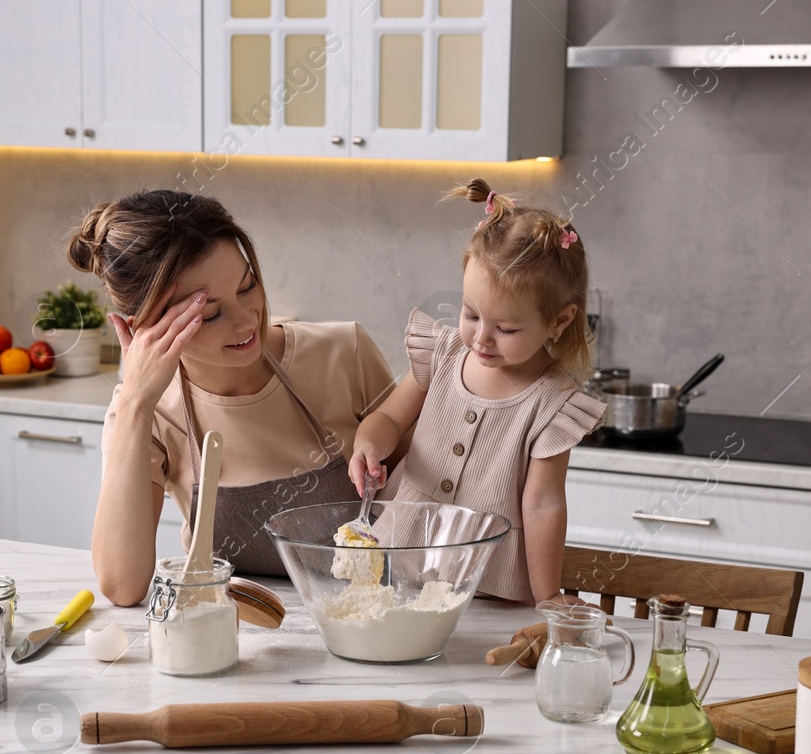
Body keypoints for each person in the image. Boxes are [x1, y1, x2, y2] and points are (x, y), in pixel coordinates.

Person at [70, 190, 395, 606]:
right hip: (234, 636)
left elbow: (423, 506)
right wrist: (134, 404)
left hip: (369, 616)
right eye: (209, 314)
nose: (247, 320)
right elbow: (123, 585)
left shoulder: (344, 351)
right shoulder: (146, 411)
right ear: (147, 327)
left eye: (248, 286)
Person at [348, 179, 605, 604]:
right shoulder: (444, 352)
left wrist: (548, 597)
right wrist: (369, 446)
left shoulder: (553, 404)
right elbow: (389, 418)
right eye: (471, 314)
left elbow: (542, 505)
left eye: (505, 328)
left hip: (487, 577)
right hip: (399, 553)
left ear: (559, 321)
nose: (481, 338)